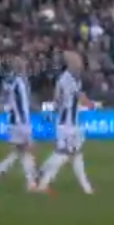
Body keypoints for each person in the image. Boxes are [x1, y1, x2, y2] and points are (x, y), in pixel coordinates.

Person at [36, 52, 92, 195]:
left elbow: (57, 100)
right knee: (65, 154)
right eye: (78, 62)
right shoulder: (67, 80)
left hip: (70, 122)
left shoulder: (70, 78)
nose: (80, 65)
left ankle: (86, 187)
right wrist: (90, 104)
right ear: (71, 64)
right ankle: (43, 179)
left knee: (73, 154)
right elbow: (80, 97)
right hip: (66, 124)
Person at [0, 58, 39, 192]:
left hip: (18, 121)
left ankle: (0, 173)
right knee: (28, 150)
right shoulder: (16, 81)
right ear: (17, 66)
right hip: (19, 122)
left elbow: (3, 101)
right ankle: (30, 182)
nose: (24, 65)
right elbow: (3, 101)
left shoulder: (13, 81)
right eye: (22, 64)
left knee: (20, 151)